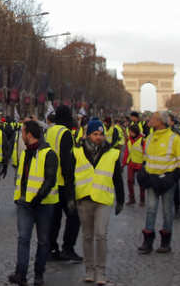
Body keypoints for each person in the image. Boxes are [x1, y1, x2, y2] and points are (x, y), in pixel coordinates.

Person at [7, 120, 58, 286]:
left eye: (22, 132)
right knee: (23, 238)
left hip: (43, 204)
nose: (21, 135)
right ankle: (20, 274)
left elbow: (50, 180)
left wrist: (36, 199)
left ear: (29, 134)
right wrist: (19, 197)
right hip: (24, 204)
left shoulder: (49, 154)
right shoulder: (25, 153)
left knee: (43, 241)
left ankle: (38, 274)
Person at [74, 119, 124, 284]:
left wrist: (121, 199)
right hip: (84, 198)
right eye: (95, 134)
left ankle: (101, 271)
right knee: (87, 236)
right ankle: (89, 270)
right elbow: (69, 176)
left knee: (101, 235)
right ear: (88, 135)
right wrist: (69, 198)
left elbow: (117, 178)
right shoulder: (77, 152)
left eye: (101, 134)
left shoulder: (112, 153)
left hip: (103, 199)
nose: (99, 137)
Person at [137, 111, 180, 255]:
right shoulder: (149, 137)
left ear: (160, 121)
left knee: (167, 212)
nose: (149, 120)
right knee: (150, 210)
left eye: (152, 118)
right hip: (152, 180)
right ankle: (147, 242)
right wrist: (144, 172)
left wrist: (172, 177)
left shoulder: (174, 138)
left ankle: (165, 242)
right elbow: (146, 157)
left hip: (167, 181)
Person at [46, 105, 81, 262]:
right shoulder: (66, 133)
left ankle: (51, 249)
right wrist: (70, 187)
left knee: (54, 220)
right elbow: (67, 161)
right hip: (62, 183)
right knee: (74, 217)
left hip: (50, 182)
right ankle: (68, 248)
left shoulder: (49, 131)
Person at [123, 125, 146, 206]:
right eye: (129, 131)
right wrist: (124, 163)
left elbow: (145, 152)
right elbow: (127, 151)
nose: (129, 133)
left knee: (141, 182)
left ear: (135, 132)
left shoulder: (142, 140)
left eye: (131, 132)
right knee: (129, 181)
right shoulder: (129, 140)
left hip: (140, 164)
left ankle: (142, 200)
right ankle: (132, 198)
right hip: (131, 163)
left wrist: (144, 163)